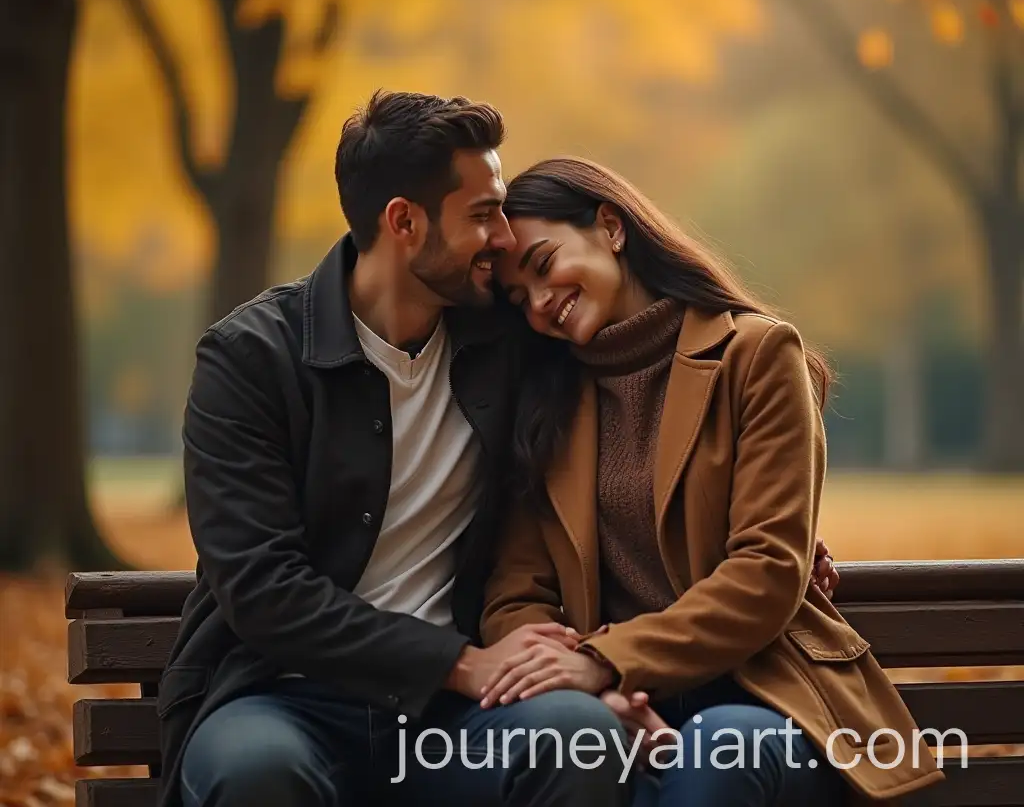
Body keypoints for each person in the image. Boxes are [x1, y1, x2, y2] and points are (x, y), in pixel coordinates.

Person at [159, 91, 841, 807]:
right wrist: (463, 663)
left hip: (457, 719)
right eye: (483, 215)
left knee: (576, 737)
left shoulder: (509, 347)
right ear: (404, 221)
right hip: (280, 694)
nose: (502, 241)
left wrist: (783, 539)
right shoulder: (251, 359)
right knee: (257, 772)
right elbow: (263, 588)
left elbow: (652, 399)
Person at [479, 157, 945, 806]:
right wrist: (592, 695)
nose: (538, 303)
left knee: (715, 751)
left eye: (542, 265)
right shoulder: (546, 406)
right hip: (614, 709)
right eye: (517, 300)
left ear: (610, 227)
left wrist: (608, 659)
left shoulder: (756, 357)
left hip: (774, 705)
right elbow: (513, 597)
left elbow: (766, 570)